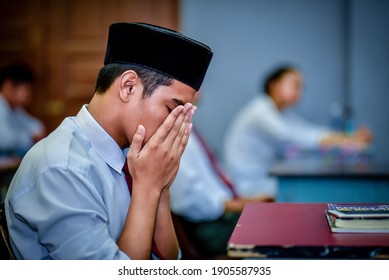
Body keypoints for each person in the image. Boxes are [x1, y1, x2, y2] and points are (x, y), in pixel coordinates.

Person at [5, 22, 213, 260]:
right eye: (172, 110)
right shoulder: (62, 167)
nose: (175, 126)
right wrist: (147, 188)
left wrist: (161, 189)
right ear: (128, 87)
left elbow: (169, 262)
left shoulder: (133, 153)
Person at [223, 65, 372, 197]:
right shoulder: (261, 110)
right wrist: (350, 139)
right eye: (294, 84)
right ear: (273, 85)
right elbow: (297, 136)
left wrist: (349, 137)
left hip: (262, 179)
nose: (299, 91)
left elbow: (305, 130)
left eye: (301, 86)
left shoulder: (281, 112)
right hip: (248, 185)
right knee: (314, 191)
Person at [170, 91, 273, 257]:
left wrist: (246, 201)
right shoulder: (175, 135)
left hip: (221, 214)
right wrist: (242, 205)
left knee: (274, 215)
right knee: (272, 225)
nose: (200, 88)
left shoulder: (188, 128)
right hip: (210, 226)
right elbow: (189, 201)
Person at [0, 62, 45, 156]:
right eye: (26, 89)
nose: (29, 94)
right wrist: (30, 137)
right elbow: (5, 141)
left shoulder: (15, 108)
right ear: (9, 86)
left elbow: (37, 125)